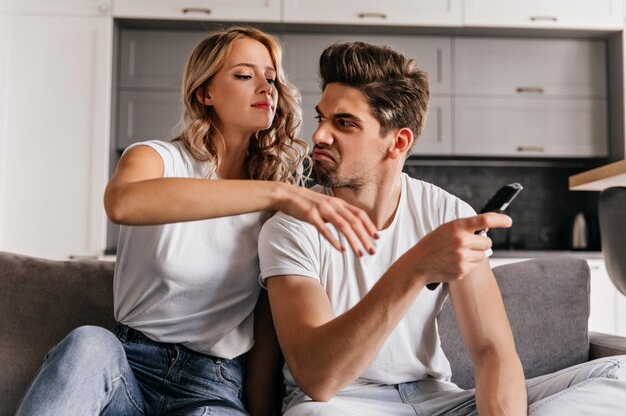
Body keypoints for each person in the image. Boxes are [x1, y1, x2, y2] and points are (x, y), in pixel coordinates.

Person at [14, 27, 377, 416]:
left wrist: (260, 408)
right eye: (244, 75)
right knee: (88, 342)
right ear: (205, 93)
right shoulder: (155, 158)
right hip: (125, 366)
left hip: (211, 385)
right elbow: (122, 203)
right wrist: (279, 193)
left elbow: (265, 318)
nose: (265, 88)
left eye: (271, 78)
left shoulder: (276, 204)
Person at [258, 41, 626, 416]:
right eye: (322, 118)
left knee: (621, 373)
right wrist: (416, 266)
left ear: (398, 142)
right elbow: (318, 379)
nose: (319, 136)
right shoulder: (290, 228)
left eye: (345, 123)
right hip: (343, 404)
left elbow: (491, 350)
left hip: (439, 401)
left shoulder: (447, 213)